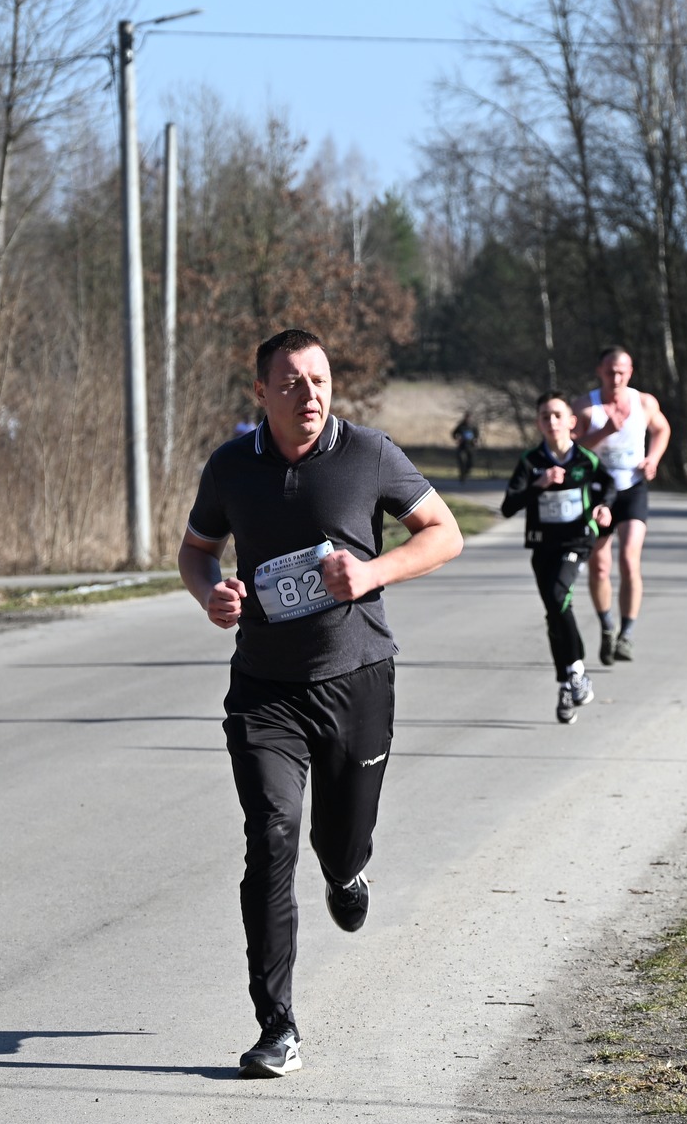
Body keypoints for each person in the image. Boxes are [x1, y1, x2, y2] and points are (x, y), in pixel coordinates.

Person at [179, 327, 465, 1079]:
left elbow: (444, 534)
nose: (310, 394)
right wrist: (212, 592)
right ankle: (277, 1024)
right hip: (264, 689)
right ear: (261, 393)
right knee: (270, 835)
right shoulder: (231, 467)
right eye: (292, 382)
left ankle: (347, 871)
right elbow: (197, 547)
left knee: (339, 841)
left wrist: (372, 574)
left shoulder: (369, 452)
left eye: (320, 379)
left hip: (356, 677)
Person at [500, 392, 616, 723]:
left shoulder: (585, 459)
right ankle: (567, 683)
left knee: (557, 596)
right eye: (545, 416)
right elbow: (509, 506)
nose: (551, 421)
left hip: (578, 539)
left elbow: (609, 486)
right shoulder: (531, 461)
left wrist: (604, 507)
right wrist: (539, 483)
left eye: (557, 415)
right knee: (555, 611)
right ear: (538, 423)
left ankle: (577, 670)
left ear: (571, 422)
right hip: (542, 545)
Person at [576, 346, 671, 665]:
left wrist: (653, 459)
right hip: (598, 491)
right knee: (600, 565)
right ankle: (606, 626)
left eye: (622, 371)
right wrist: (604, 431)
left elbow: (662, 429)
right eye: (609, 371)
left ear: (630, 372)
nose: (615, 377)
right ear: (599, 371)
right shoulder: (586, 407)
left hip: (633, 489)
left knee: (630, 560)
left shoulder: (644, 402)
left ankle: (627, 634)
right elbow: (570, 448)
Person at [451, 411, 479, 481]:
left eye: (469, 418)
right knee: (461, 460)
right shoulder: (461, 426)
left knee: (471, 461)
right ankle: (462, 474)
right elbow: (454, 433)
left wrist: (475, 440)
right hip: (462, 446)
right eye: (467, 417)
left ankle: (466, 472)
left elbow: (477, 434)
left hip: (470, 446)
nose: (468, 419)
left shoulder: (473, 426)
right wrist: (457, 438)